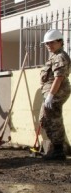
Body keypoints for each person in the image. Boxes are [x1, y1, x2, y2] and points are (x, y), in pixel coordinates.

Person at [39, 29, 69, 161]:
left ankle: (58, 151)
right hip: (53, 91)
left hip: (57, 91)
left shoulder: (59, 56)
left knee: (52, 119)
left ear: (60, 42)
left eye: (51, 43)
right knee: (45, 119)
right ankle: (56, 148)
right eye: (47, 44)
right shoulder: (54, 54)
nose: (48, 46)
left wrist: (51, 95)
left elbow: (59, 77)